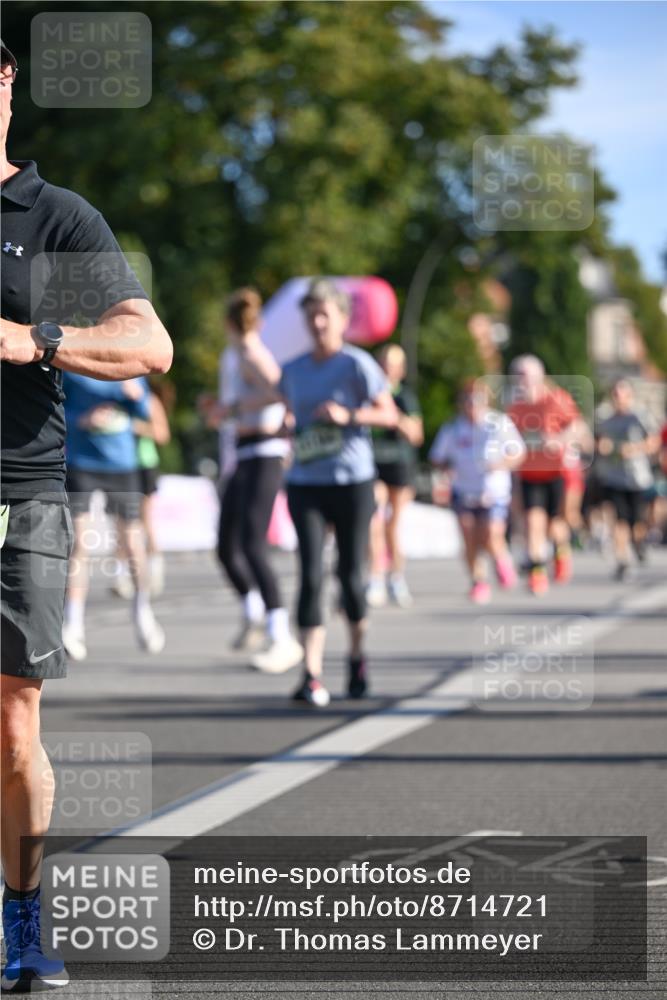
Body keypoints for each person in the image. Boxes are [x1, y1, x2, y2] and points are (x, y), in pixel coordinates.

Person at [0, 41, 172, 993]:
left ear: (7, 86)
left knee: (12, 720)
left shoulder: (54, 216)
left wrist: (36, 338)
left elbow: (151, 345)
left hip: (16, 491)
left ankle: (22, 913)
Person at [277, 278, 398, 707]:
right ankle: (310, 673)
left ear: (344, 320)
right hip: (307, 482)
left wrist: (349, 414)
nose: (318, 322)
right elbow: (286, 412)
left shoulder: (357, 365)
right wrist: (286, 424)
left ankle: (357, 656)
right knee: (310, 574)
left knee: (351, 576)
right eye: (312, 315)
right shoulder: (292, 369)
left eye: (326, 314)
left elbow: (390, 414)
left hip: (352, 481)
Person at [201, 288, 302, 673]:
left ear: (228, 322)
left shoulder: (251, 352)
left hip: (265, 453)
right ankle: (254, 611)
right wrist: (223, 409)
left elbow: (283, 393)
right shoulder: (234, 354)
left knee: (253, 545)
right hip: (242, 453)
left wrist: (237, 407)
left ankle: (282, 635)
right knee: (227, 546)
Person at [61, 375, 166, 659]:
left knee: (132, 544)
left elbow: (149, 414)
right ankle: (73, 623)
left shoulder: (129, 367)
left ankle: (143, 611)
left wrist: (137, 397)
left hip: (122, 464)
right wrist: (81, 419)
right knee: (79, 544)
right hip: (81, 463)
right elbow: (55, 412)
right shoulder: (72, 368)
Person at [429, 379, 525, 602]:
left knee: (491, 534)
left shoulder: (499, 423)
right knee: (469, 535)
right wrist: (449, 468)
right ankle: (478, 580)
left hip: (493, 492)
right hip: (464, 490)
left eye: (477, 400)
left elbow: (518, 453)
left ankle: (501, 560)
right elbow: (437, 457)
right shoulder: (453, 428)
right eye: (467, 400)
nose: (472, 405)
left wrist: (500, 464)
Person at [507, 355, 586, 595]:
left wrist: (558, 440)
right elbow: (509, 439)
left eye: (527, 376)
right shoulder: (515, 408)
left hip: (556, 472)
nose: (523, 381)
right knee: (533, 522)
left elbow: (578, 427)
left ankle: (561, 551)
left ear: (539, 377)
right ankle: (537, 573)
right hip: (530, 474)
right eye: (518, 376)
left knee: (555, 525)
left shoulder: (557, 399)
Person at [367, 344, 423, 608]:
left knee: (392, 525)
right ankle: (375, 576)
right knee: (374, 522)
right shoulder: (369, 394)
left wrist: (394, 416)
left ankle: (396, 578)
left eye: (393, 364)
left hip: (399, 464)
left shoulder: (405, 397)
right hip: (374, 463)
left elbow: (416, 435)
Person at [110, 377, 173, 599]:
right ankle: (121, 576)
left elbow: (162, 434)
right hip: (118, 465)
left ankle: (155, 571)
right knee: (120, 524)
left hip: (144, 464)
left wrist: (133, 426)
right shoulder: (113, 393)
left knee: (145, 521)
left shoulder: (148, 398)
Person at [595, 379, 660, 580]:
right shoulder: (606, 419)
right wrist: (602, 446)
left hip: (637, 477)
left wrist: (634, 449)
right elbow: (597, 442)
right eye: (616, 394)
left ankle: (638, 543)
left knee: (637, 521)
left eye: (623, 394)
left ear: (630, 396)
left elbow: (653, 442)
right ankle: (622, 561)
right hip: (614, 477)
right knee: (619, 520)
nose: (619, 399)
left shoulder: (639, 417)